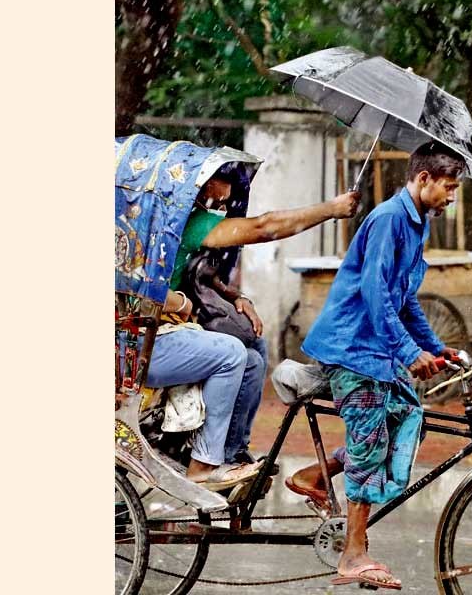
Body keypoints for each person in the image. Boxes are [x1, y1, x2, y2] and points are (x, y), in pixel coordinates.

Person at [285, 142, 464, 589]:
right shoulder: (388, 220)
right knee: (368, 440)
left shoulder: (417, 224)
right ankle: (352, 555)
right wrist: (409, 352)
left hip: (375, 350)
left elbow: (404, 300)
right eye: (448, 186)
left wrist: (435, 348)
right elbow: (375, 293)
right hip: (352, 349)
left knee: (407, 416)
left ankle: (315, 474)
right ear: (423, 179)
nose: (452, 196)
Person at [146, 167, 360, 490]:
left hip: (166, 331)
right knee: (232, 353)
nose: (221, 203)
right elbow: (264, 227)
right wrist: (330, 209)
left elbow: (198, 274)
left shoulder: (185, 219)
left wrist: (235, 296)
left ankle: (231, 453)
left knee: (254, 353)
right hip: (142, 343)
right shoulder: (187, 220)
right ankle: (203, 465)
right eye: (217, 193)